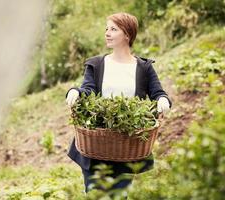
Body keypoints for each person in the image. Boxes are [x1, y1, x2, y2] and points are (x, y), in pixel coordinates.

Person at [65, 12, 172, 196]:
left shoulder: (144, 68)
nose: (107, 33)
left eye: (113, 29)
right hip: (96, 145)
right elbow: (87, 89)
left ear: (127, 35)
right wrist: (75, 91)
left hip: (125, 146)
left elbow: (158, 93)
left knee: (120, 195)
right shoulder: (97, 64)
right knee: (95, 195)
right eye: (106, 29)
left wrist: (163, 101)